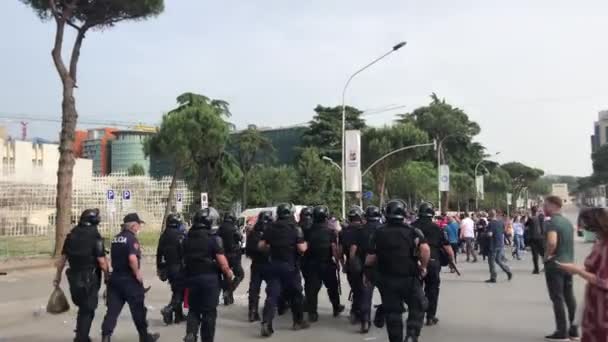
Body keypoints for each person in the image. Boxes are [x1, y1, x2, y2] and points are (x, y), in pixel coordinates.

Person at [364, 199, 431, 342]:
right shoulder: (413, 231)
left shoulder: (378, 232)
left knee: (393, 313)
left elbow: (370, 257)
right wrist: (423, 266)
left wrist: (367, 273)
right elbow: (425, 249)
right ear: (404, 214)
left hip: (387, 279)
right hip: (409, 278)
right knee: (419, 305)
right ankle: (412, 333)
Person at [101, 213, 159, 342]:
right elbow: (132, 258)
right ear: (133, 226)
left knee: (112, 311)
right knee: (138, 310)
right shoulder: (131, 239)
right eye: (138, 225)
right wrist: (137, 274)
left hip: (115, 279)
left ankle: (106, 336)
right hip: (129, 280)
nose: (139, 227)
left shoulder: (116, 238)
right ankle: (144, 337)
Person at [54, 208, 110, 342]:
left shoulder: (72, 235)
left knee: (83, 307)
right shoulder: (95, 236)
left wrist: (57, 276)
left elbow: (62, 259)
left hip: (73, 277)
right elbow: (102, 261)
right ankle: (82, 338)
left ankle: (80, 335)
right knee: (88, 309)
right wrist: (108, 276)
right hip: (89, 278)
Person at [182, 208, 235, 342]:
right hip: (209, 281)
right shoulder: (214, 239)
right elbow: (222, 263)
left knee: (194, 309)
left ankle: (191, 333)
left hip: (192, 278)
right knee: (209, 312)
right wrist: (229, 275)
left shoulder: (186, 239)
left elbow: (183, 259)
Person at [258, 203, 310, 337]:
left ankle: (266, 322)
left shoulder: (271, 227)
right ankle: (298, 321)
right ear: (291, 213)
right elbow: (302, 248)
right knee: (296, 294)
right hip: (290, 267)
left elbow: (261, 245)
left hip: (274, 266)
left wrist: (271, 248)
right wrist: (306, 244)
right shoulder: (295, 228)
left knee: (272, 295)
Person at [557, 208, 608, 342]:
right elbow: (592, 269)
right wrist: (576, 269)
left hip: (603, 305)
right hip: (594, 302)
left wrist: (578, 271)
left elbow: (603, 281)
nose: (584, 228)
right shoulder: (600, 243)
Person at [412, 202, 455, 327]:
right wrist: (451, 261)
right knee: (432, 290)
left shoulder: (412, 227)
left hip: (415, 262)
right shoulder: (438, 228)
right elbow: (447, 248)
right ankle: (430, 317)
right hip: (433, 262)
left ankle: (417, 316)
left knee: (415, 290)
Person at [542, 196, 578, 341]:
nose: (544, 208)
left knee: (557, 297)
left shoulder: (552, 223)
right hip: (569, 263)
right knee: (569, 297)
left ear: (552, 206)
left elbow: (552, 242)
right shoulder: (567, 222)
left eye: (545, 205)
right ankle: (574, 330)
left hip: (555, 265)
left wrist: (547, 256)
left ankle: (561, 330)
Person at [302, 205, 344, 322]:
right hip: (326, 263)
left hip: (311, 263)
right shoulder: (330, 232)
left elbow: (304, 247)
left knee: (311, 289)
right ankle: (336, 307)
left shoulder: (308, 231)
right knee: (332, 287)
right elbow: (334, 249)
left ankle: (312, 313)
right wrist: (337, 261)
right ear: (326, 217)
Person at [348, 205, 381, 333]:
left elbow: (353, 250)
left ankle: (365, 321)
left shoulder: (360, 230)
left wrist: (352, 263)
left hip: (366, 267)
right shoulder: (383, 229)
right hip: (383, 267)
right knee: (390, 294)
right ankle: (385, 315)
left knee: (365, 295)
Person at [157, 213, 187, 325]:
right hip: (178, 267)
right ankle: (168, 309)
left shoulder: (163, 235)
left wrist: (159, 268)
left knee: (176, 291)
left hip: (167, 268)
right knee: (180, 292)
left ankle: (178, 315)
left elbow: (159, 253)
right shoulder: (180, 235)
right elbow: (183, 252)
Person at [246, 210, 273, 322]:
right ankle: (270, 309)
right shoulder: (272, 231)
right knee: (272, 288)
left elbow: (248, 251)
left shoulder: (253, 232)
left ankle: (252, 311)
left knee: (254, 289)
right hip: (269, 263)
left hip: (257, 264)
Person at [216, 213, 244, 306]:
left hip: (223, 255)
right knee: (240, 275)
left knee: (226, 276)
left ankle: (227, 299)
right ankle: (228, 292)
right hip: (234, 255)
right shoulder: (234, 228)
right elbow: (240, 237)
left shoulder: (220, 228)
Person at [485, 209, 513, 283]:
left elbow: (490, 234)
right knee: (499, 260)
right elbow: (504, 232)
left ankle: (493, 277)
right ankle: (508, 271)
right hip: (500, 244)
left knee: (491, 262)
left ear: (490, 215)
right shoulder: (500, 222)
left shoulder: (491, 224)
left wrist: (484, 234)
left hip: (493, 245)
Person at [526, 206, 545, 274]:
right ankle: (547, 266)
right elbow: (543, 227)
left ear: (532, 211)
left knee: (535, 255)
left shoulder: (530, 218)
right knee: (543, 253)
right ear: (537, 211)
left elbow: (526, 225)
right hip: (540, 238)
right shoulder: (541, 217)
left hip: (533, 238)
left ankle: (536, 269)